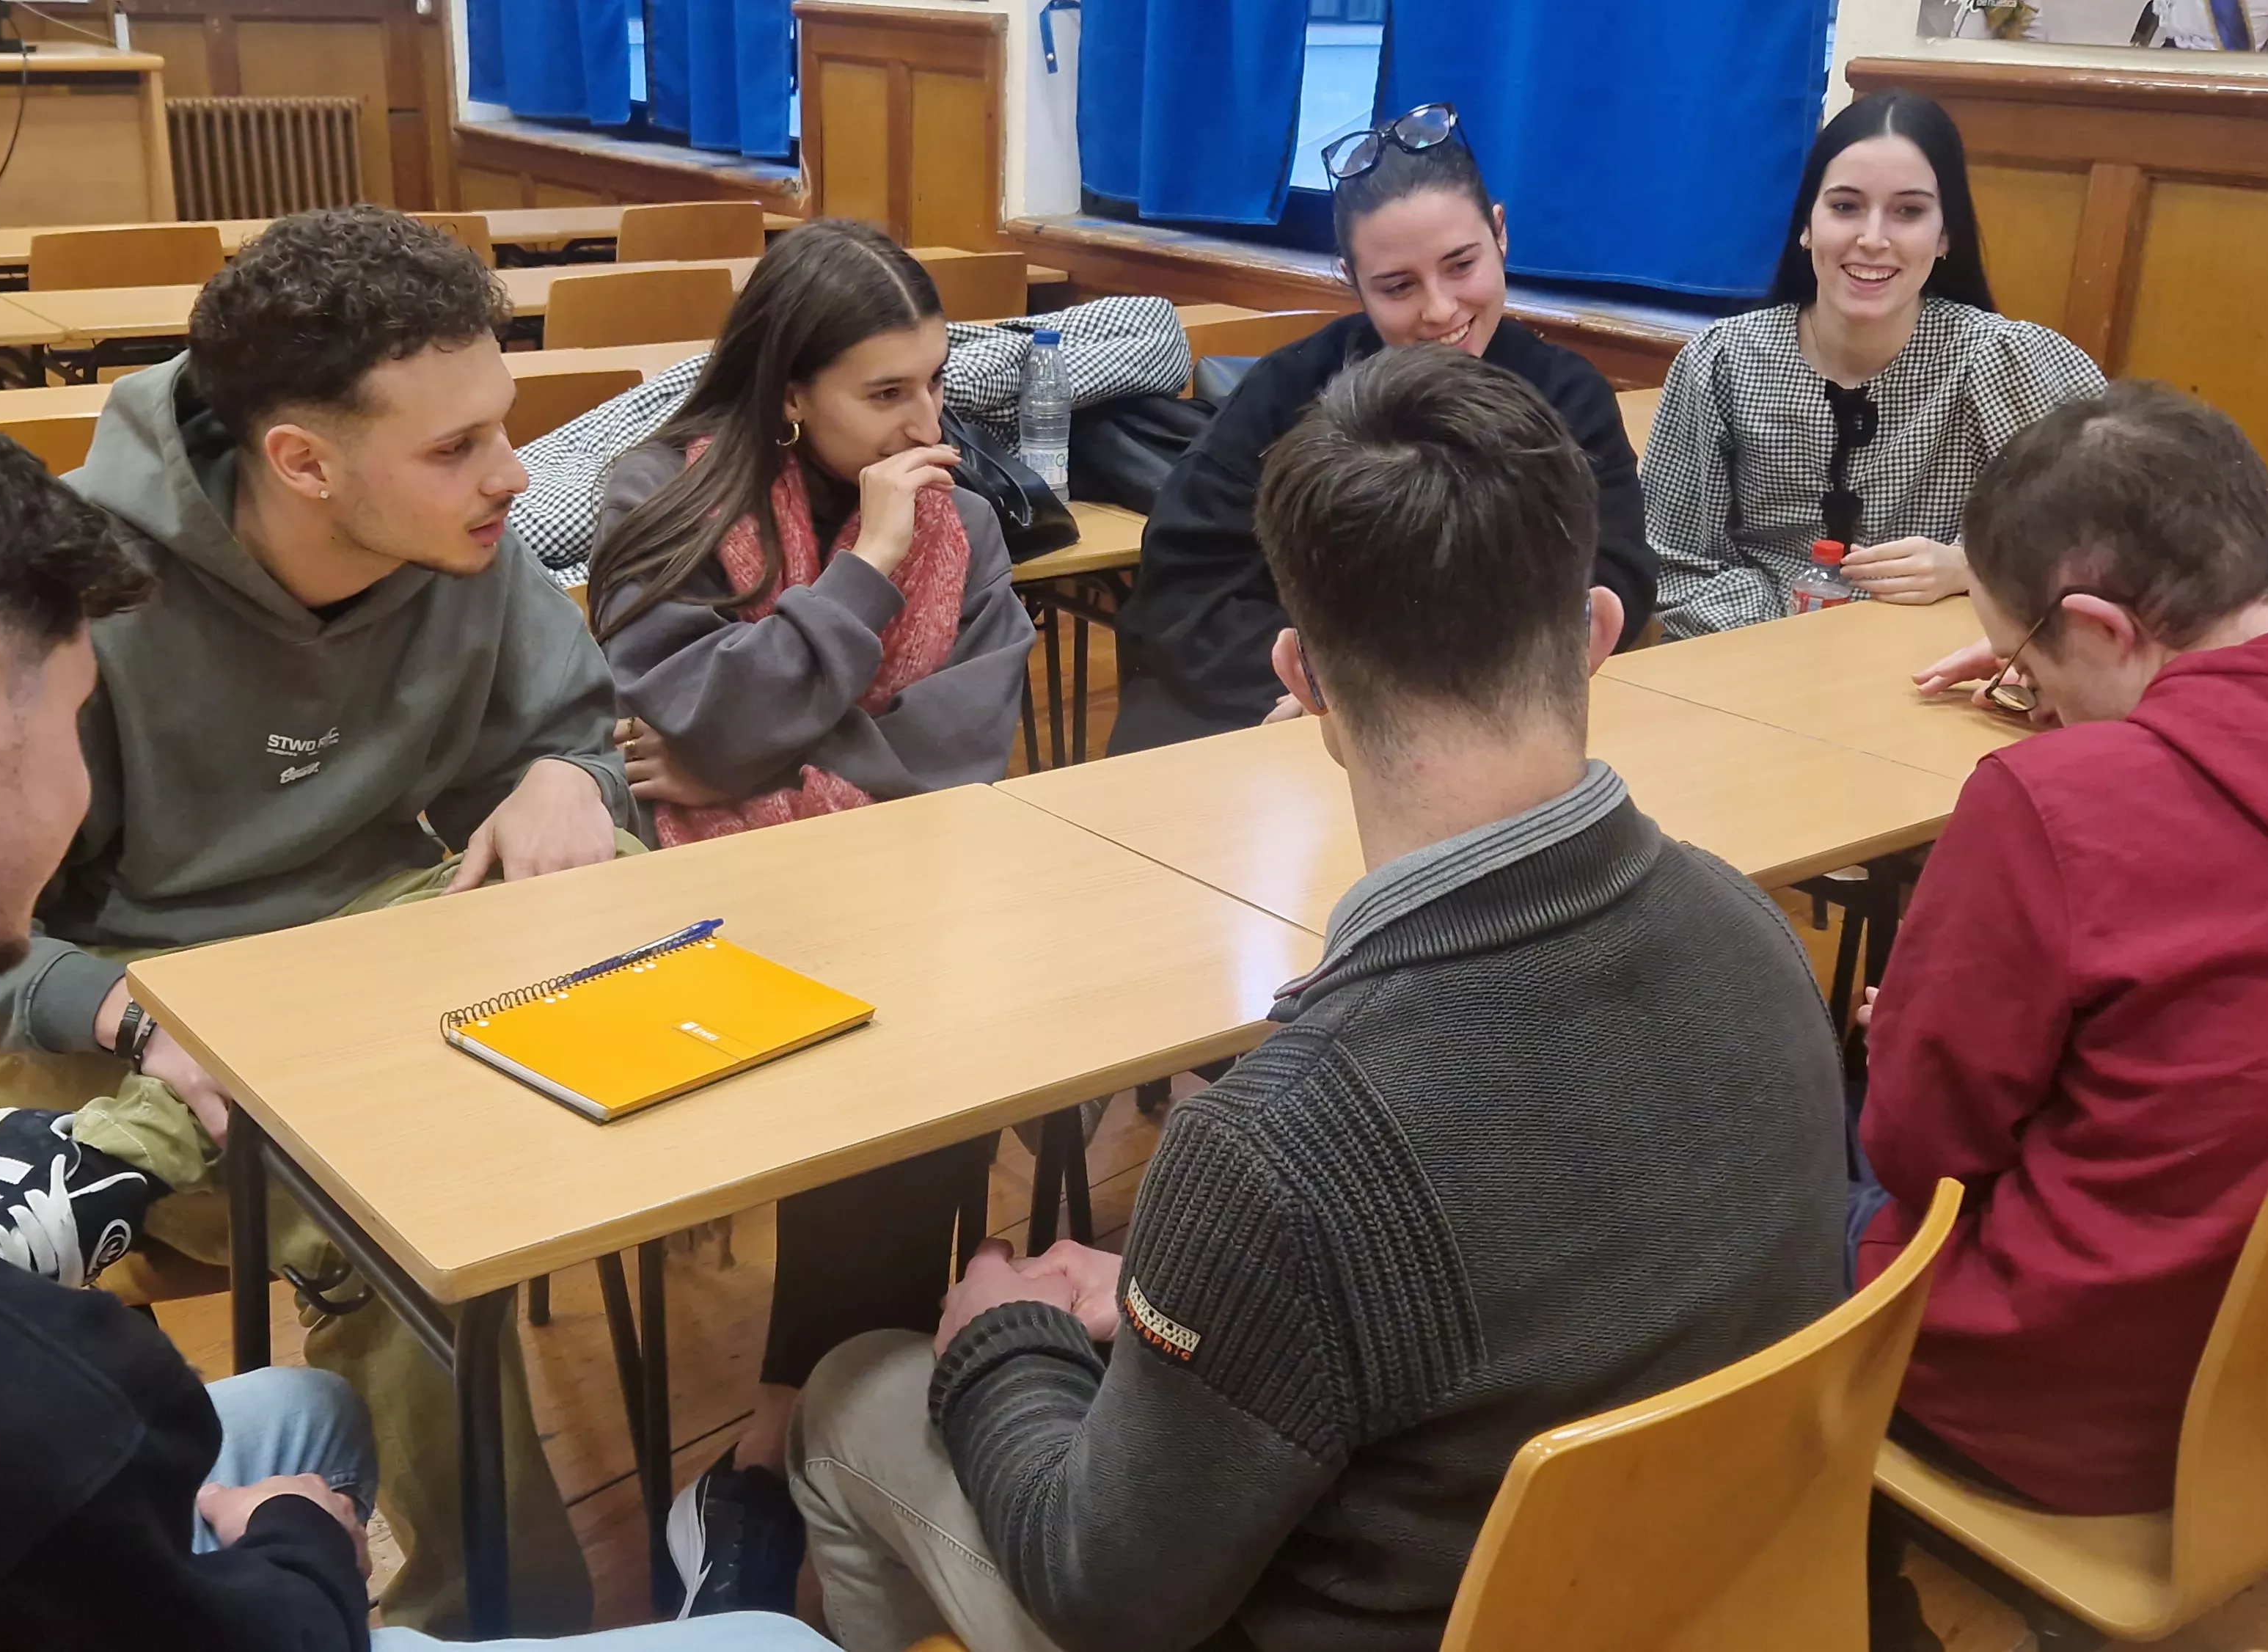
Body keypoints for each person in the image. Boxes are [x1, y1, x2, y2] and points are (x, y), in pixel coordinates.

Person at [0, 346, 833, 1652]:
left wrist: (565, 775)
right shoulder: (24, 1398)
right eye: (72, 710)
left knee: (309, 1415)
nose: (506, 475)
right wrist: (301, 1541)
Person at [788, 345, 1846, 1652]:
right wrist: (1201, 1300)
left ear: (1305, 684)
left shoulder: (1282, 1142)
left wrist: (1000, 1339)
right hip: (1715, 1608)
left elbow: (1102, 1590)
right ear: (1595, 632)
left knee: (853, 1393)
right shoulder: (1753, 930)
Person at [0, 205, 628, 1634]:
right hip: (127, 1004)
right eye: (455, 447)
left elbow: (574, 728)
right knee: (392, 1221)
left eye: (503, 423)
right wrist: (124, 1011)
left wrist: (567, 773)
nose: (514, 474)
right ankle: (508, 1621)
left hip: (379, 952)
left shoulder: (469, 540)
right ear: (300, 460)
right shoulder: (61, 591)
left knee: (652, 920)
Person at [1853, 381, 2268, 1518]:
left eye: (2034, 658)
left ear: (2105, 629)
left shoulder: (2060, 803)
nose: (2041, 696)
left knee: (1757, 1187)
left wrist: (1918, 1038)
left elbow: (1925, 1155)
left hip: (2068, 1420)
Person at [586, 217, 1035, 1617]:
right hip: (685, 906)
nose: (928, 426)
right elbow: (671, 718)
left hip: (893, 883)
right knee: (865, 1042)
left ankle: (784, 1441)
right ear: (790, 390)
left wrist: (760, 748)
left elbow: (967, 739)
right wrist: (863, 576)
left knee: (921, 1054)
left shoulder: (967, 522)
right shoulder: (655, 498)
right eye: (885, 394)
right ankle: (800, 1442)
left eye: (937, 386)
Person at [1108, 101, 1653, 751]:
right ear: (1351, 280)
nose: (1440, 309)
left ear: (1500, 232)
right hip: (1289, 709)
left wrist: (1431, 702)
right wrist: (1326, 697)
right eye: (1397, 287)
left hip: (1496, 720)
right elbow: (1186, 586)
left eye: (1461, 265)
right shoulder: (1288, 393)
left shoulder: (1568, 396)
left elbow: (1611, 577)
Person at [1643, 91, 2105, 638]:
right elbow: (1673, 564)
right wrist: (1784, 644)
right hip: (1747, 660)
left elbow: (2112, 539)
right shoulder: (1720, 361)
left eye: (1909, 212)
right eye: (1845, 207)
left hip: (1932, 671)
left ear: (1945, 235)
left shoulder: (2012, 361)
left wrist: (1970, 566)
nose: (1872, 239)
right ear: (1806, 225)